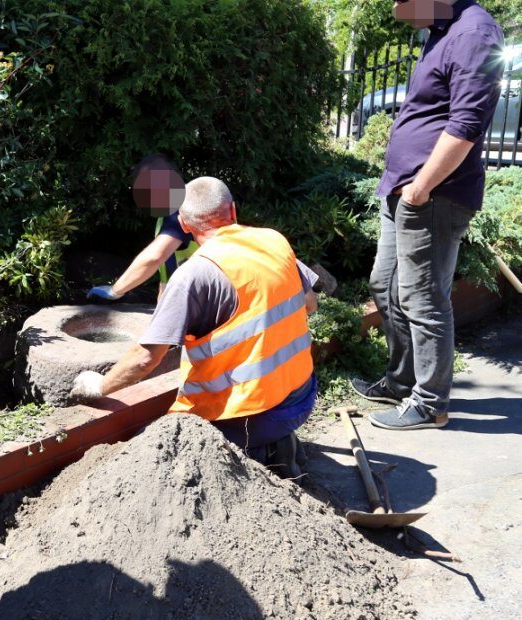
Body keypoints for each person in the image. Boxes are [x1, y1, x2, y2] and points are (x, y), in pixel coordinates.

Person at [72, 177, 318, 479]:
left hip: (243, 415)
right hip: (301, 396)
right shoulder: (273, 240)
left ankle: (256, 456)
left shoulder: (195, 275)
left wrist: (98, 387)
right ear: (233, 209)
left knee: (160, 459)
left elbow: (144, 359)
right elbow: (310, 303)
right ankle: (279, 449)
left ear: (185, 225)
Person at [352, 0, 504, 430]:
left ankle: (430, 403)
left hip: (433, 194)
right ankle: (402, 381)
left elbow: (467, 123)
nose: (396, 7)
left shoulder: (474, 34)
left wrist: (422, 187)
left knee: (424, 298)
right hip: (405, 190)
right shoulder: (442, 28)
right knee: (386, 285)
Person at [87, 155, 199, 302]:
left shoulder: (184, 208)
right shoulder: (167, 216)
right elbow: (165, 279)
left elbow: (154, 257)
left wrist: (114, 291)